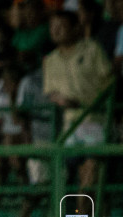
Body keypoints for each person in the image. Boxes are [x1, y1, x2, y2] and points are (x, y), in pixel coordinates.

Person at [43, 10, 113, 190]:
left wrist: (88, 102)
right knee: (82, 181)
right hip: (69, 126)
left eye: (61, 26)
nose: (56, 31)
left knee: (89, 180)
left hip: (95, 122)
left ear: (75, 29)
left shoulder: (92, 49)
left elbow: (109, 81)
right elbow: (51, 92)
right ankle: (90, 216)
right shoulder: (49, 60)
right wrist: (61, 100)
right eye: (53, 27)